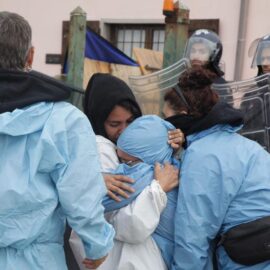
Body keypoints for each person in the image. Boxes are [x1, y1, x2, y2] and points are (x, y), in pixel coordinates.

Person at [0, 11, 114, 270]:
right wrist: (97, 244)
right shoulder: (65, 120)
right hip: (36, 261)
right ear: (30, 56)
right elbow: (81, 196)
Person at [165, 66, 270, 269]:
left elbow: (193, 234)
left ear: (183, 115)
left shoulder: (203, 155)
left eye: (167, 118)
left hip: (249, 255)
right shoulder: (244, 144)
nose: (166, 126)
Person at [70, 115, 180, 270]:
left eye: (128, 163)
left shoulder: (151, 176)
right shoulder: (167, 167)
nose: (120, 169)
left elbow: (133, 226)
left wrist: (158, 190)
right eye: (119, 160)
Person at [83, 73, 184, 200]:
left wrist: (169, 148)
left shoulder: (138, 138)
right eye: (114, 124)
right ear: (97, 121)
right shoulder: (98, 151)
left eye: (130, 121)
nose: (124, 131)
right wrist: (159, 189)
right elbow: (118, 214)